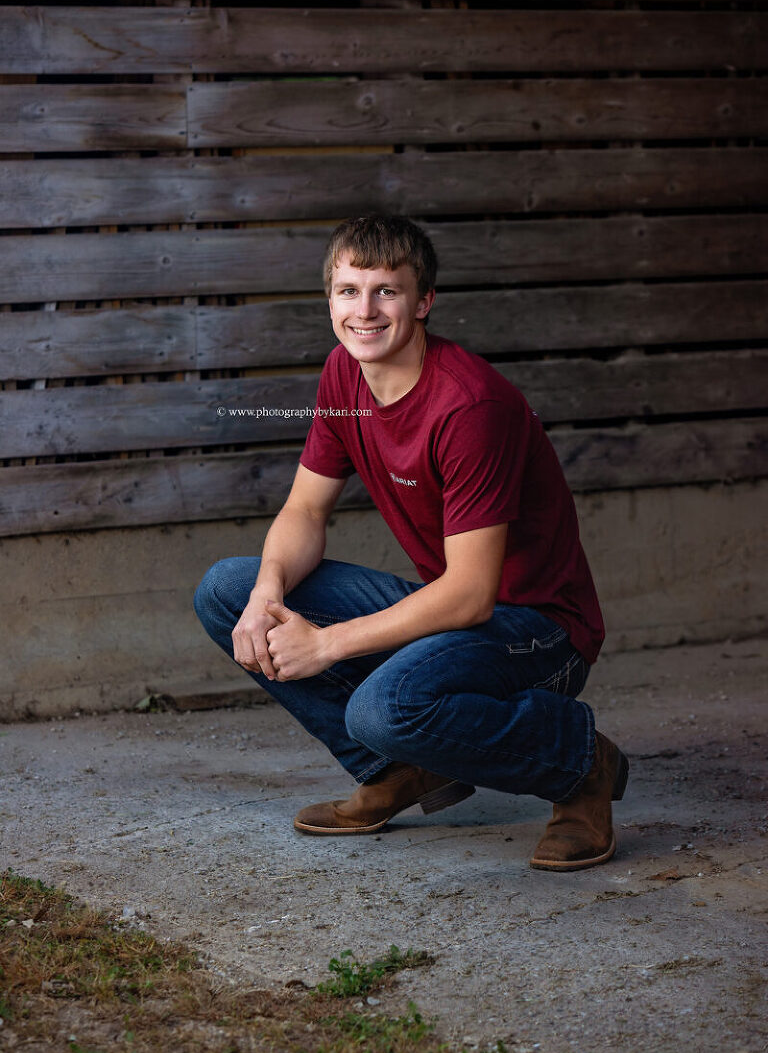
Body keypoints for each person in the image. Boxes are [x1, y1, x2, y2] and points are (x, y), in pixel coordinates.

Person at [194, 214, 628, 871]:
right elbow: (306, 510)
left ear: (423, 302)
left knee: (384, 706)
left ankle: (579, 763)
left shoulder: (467, 406)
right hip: (451, 611)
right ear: (329, 299)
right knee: (226, 588)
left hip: (541, 630)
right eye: (348, 290)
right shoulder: (344, 372)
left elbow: (472, 595)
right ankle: (405, 768)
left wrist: (325, 644)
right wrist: (265, 594)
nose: (364, 311)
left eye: (385, 291)